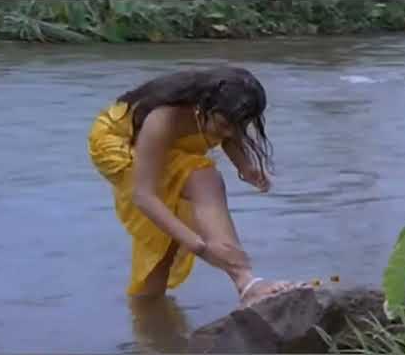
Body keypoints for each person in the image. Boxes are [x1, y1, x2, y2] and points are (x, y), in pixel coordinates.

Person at [88, 66, 304, 307]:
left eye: (239, 125)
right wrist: (199, 247)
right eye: (224, 124)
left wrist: (245, 167)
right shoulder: (163, 119)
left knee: (168, 243)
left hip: (168, 141)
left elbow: (229, 133)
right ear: (203, 107)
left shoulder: (222, 111)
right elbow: (144, 196)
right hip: (118, 143)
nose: (230, 132)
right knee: (201, 182)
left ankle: (149, 321)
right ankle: (246, 281)